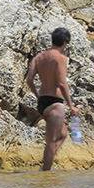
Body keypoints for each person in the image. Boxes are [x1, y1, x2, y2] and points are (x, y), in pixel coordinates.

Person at [26, 27, 81, 171]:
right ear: (64, 42)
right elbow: (61, 83)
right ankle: (46, 173)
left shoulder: (39, 57)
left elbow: (29, 80)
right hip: (55, 104)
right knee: (50, 142)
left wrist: (38, 96)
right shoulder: (61, 58)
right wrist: (71, 105)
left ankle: (46, 164)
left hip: (43, 101)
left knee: (63, 134)